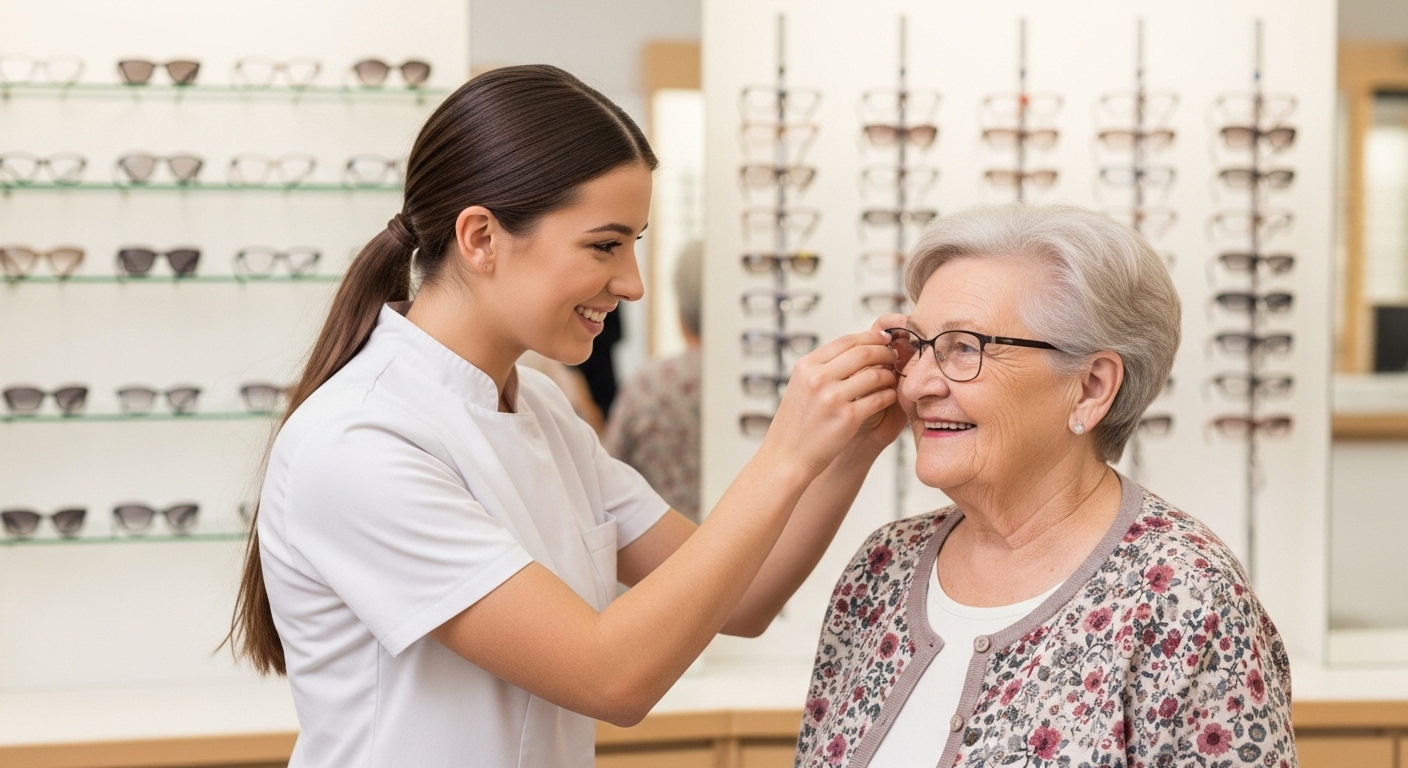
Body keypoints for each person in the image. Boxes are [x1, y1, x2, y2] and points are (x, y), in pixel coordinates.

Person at [225, 65, 906, 768]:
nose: (633, 284)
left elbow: (745, 599)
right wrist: (783, 455)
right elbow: (611, 677)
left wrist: (848, 446)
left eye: (636, 244)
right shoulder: (358, 441)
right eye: (605, 245)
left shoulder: (542, 409)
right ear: (481, 238)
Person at [794, 204, 1296, 768]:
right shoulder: (883, 565)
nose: (916, 386)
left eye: (964, 347)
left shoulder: (1185, 597)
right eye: (917, 347)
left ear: (1091, 387)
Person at [604, 240, 704, 521]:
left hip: (656, 532)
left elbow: (609, 473)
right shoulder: (758, 387)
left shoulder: (651, 383)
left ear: (680, 310)